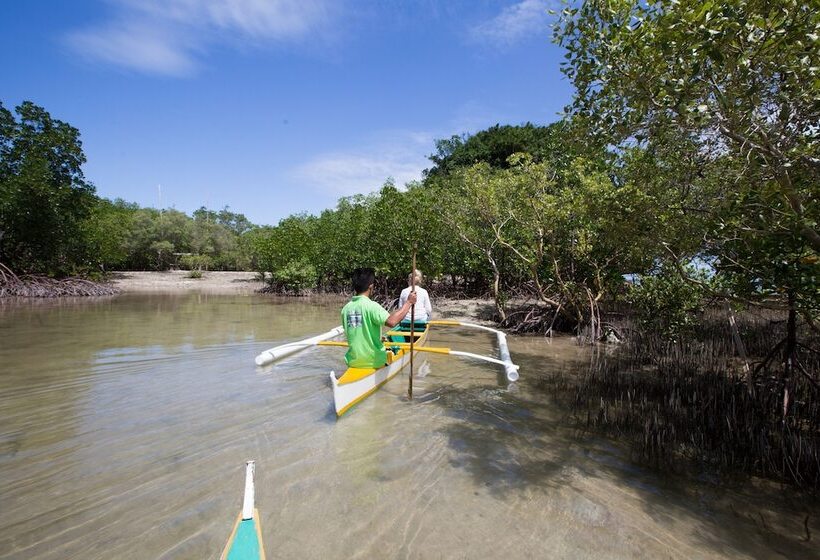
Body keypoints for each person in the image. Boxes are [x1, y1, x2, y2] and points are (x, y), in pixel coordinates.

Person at [341, 268, 417, 369]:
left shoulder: (346, 309)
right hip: (374, 361)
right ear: (371, 287)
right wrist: (409, 302)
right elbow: (392, 322)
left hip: (353, 362)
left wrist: (377, 338)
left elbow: (357, 331)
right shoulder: (372, 306)